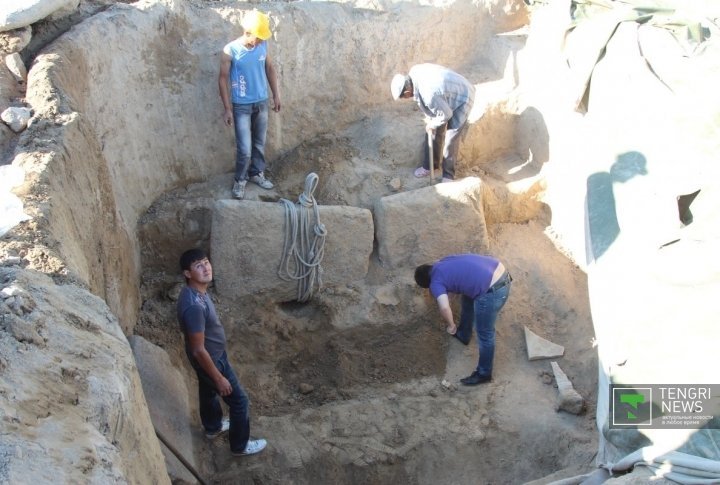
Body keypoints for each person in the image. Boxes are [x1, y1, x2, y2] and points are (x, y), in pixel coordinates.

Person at [177, 248, 267, 456]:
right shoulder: (194, 307)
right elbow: (199, 349)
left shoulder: (195, 292)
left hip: (211, 355)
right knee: (239, 401)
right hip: (210, 359)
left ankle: (213, 427)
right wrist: (218, 377)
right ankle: (239, 446)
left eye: (206, 262)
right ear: (187, 274)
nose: (206, 268)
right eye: (198, 266)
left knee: (207, 392)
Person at [414, 253, 512, 386]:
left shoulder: (436, 283)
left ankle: (484, 373)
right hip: (499, 271)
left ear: (428, 284)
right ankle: (464, 334)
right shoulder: (441, 262)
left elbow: (444, 308)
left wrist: (451, 325)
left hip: (493, 291)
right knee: (467, 298)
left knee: (485, 334)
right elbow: (458, 277)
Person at [218, 9, 281, 200]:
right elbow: (222, 79)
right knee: (244, 149)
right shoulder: (231, 50)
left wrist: (276, 95)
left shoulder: (262, 46)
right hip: (241, 106)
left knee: (259, 144)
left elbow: (269, 68)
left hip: (261, 103)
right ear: (248, 32)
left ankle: (256, 174)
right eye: (259, 37)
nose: (261, 40)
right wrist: (228, 108)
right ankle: (240, 180)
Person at [390, 64, 475, 182]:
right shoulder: (414, 73)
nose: (405, 99)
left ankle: (448, 175)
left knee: (451, 136)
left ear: (408, 91)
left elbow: (446, 115)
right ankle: (430, 166)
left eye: (404, 97)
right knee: (433, 129)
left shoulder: (429, 94)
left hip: (464, 96)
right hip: (446, 92)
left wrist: (433, 123)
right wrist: (432, 123)